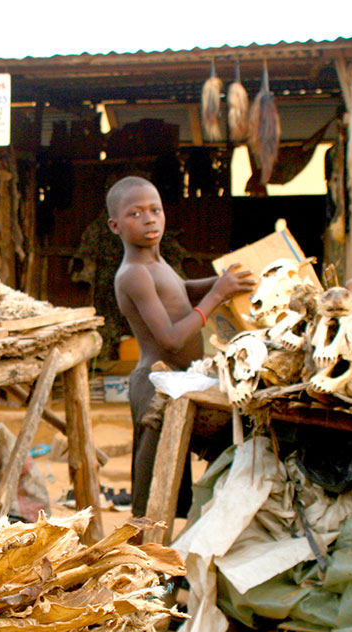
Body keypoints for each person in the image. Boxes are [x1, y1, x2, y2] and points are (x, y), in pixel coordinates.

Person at [109, 176, 256, 518]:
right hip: (156, 385)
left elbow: (182, 289)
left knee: (175, 479)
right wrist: (217, 296)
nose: (149, 219)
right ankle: (143, 562)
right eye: (135, 213)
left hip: (181, 382)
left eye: (155, 210)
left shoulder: (157, 264)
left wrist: (220, 283)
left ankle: (177, 552)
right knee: (153, 488)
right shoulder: (133, 274)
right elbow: (171, 339)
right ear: (115, 225)